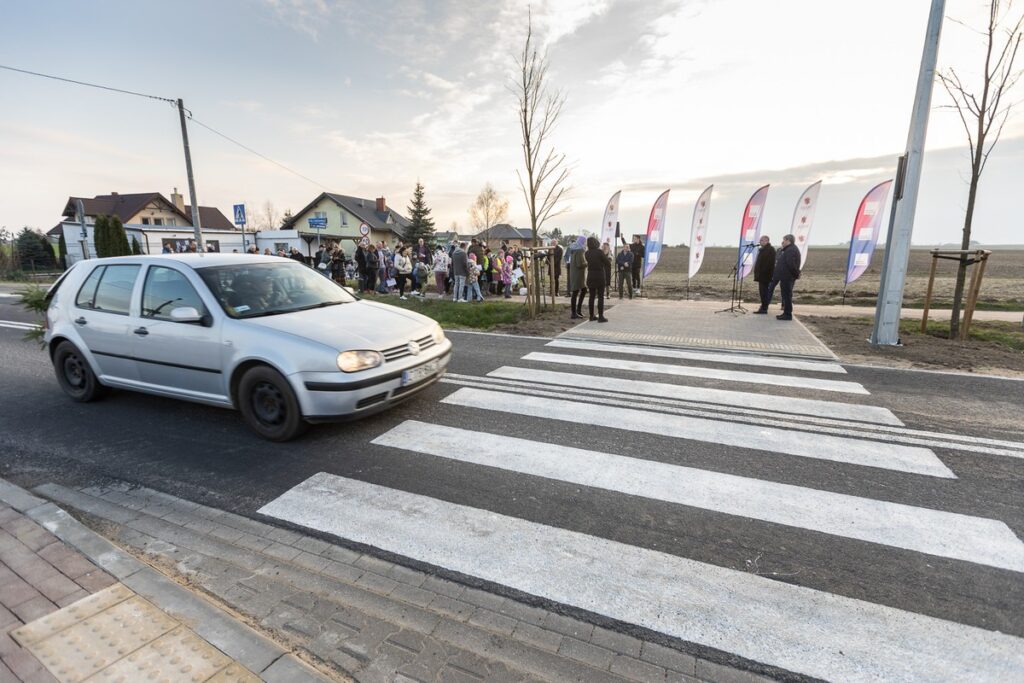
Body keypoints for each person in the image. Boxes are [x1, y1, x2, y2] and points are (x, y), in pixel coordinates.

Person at [763, 234, 801, 320]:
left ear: (788, 240)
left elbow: (791, 265)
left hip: (787, 277)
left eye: (784, 240)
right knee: (786, 295)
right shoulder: (788, 249)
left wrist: (796, 274)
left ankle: (787, 314)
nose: (782, 242)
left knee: (787, 296)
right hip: (784, 276)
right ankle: (786, 313)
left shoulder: (791, 250)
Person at [585, 236, 609, 322]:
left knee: (591, 296)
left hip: (590, 275)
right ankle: (601, 316)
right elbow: (608, 263)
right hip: (599, 275)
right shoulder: (599, 252)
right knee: (600, 296)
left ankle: (591, 316)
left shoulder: (586, 253)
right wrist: (605, 254)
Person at [753, 235, 776, 314]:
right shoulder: (763, 249)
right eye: (760, 240)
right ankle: (763, 307)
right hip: (761, 275)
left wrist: (762, 273)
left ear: (766, 241)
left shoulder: (770, 250)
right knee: (762, 292)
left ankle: (764, 308)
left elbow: (769, 264)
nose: (760, 242)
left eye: (762, 240)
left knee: (764, 292)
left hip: (765, 276)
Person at [568, 236, 588, 319]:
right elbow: (580, 264)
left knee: (582, 290)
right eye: (585, 241)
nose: (585, 243)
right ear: (582, 241)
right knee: (576, 292)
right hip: (578, 275)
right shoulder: (579, 250)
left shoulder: (574, 248)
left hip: (575, 273)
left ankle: (577, 311)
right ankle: (574, 313)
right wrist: (587, 262)